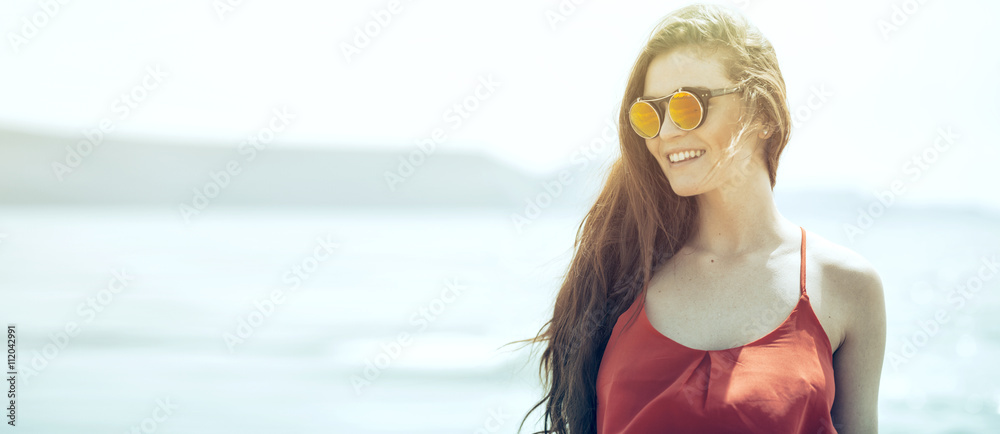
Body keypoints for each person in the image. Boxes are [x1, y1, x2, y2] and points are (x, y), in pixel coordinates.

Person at [511, 4, 886, 433]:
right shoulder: (619, 273)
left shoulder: (846, 287)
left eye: (689, 105)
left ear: (762, 113)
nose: (667, 131)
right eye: (650, 113)